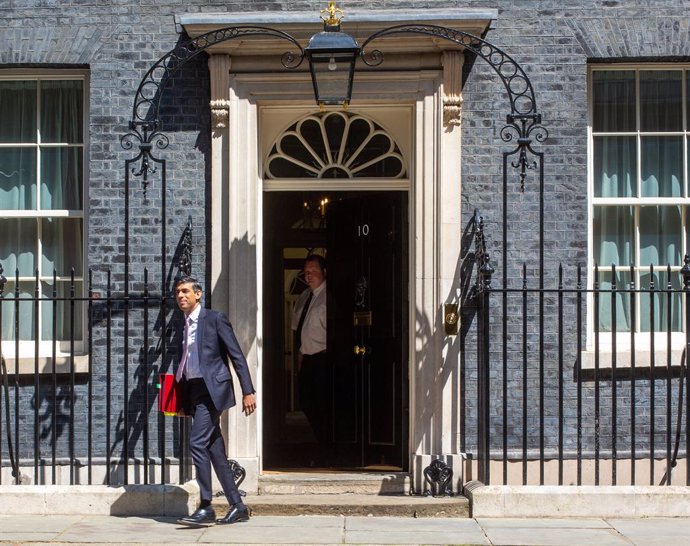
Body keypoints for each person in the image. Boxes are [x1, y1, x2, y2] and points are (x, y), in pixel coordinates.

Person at [173, 276, 257, 527]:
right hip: (195, 390)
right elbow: (185, 364)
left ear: (198, 294)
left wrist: (248, 390)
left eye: (185, 291)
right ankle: (238, 506)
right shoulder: (184, 324)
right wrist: (181, 399)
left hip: (213, 391)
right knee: (214, 449)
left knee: (196, 443)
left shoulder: (214, 319)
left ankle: (206, 505)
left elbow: (236, 355)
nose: (181, 296)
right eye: (177, 292)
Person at [291, 254, 332, 465]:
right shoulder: (304, 296)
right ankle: (321, 445)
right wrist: (299, 360)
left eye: (313, 270)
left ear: (324, 272)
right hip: (306, 360)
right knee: (307, 404)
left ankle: (327, 450)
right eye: (306, 271)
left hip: (323, 360)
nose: (309, 275)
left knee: (323, 407)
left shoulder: (330, 296)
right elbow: (298, 332)